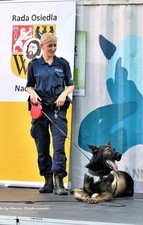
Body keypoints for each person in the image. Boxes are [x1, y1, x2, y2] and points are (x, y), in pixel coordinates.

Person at [26, 33, 75, 195]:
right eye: (50, 46)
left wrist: (63, 95)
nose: (53, 49)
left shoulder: (62, 64)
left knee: (59, 146)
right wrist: (32, 94)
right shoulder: (34, 65)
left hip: (57, 110)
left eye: (55, 45)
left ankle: (59, 181)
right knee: (42, 147)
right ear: (42, 46)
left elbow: (70, 85)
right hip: (40, 110)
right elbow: (29, 86)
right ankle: (47, 180)